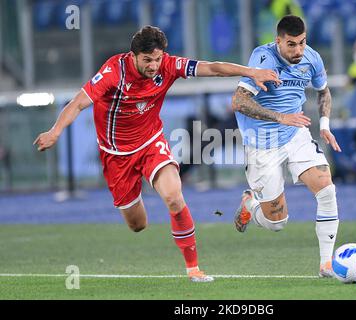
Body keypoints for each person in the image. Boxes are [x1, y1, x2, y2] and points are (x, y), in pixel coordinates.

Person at [33, 26, 280, 283]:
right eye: (147, 60)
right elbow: (78, 103)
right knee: (137, 225)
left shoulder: (169, 66)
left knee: (174, 196)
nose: (153, 66)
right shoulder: (113, 71)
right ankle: (137, 200)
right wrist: (55, 131)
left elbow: (213, 67)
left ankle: (193, 269)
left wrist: (251, 71)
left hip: (151, 143)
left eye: (158, 59)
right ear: (133, 56)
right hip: (116, 155)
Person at [231, 15, 342, 277]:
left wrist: (324, 125)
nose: (298, 50)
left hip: (295, 133)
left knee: (326, 189)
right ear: (278, 41)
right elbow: (238, 101)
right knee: (276, 222)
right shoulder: (263, 58)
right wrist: (280, 117)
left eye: (302, 43)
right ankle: (250, 205)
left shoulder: (312, 58)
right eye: (291, 44)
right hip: (262, 143)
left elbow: (323, 91)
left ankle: (326, 264)